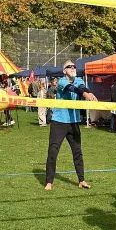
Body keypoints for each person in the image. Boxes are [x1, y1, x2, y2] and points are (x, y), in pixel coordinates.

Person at [45, 61, 97, 191]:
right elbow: (72, 89)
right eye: (69, 67)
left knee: (77, 152)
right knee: (53, 151)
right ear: (64, 71)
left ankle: (81, 180)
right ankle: (49, 182)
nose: (73, 68)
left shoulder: (79, 80)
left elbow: (82, 88)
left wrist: (88, 92)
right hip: (59, 121)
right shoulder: (62, 81)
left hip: (73, 121)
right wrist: (85, 95)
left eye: (74, 66)